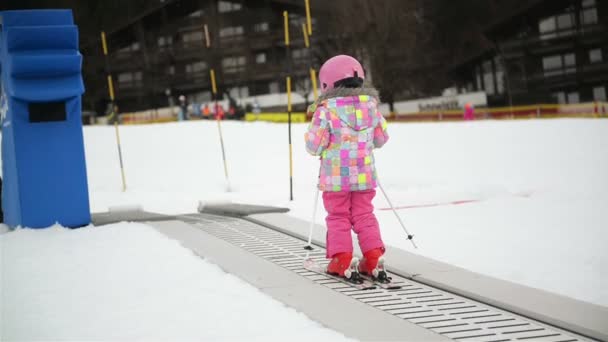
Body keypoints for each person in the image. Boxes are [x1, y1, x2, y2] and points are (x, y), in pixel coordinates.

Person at [304, 55, 389, 282]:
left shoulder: (325, 109)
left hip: (335, 180)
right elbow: (381, 139)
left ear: (327, 83)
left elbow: (314, 146)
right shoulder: (371, 107)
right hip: (364, 177)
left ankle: (341, 259)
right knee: (364, 215)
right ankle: (372, 257)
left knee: (338, 216)